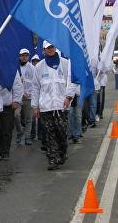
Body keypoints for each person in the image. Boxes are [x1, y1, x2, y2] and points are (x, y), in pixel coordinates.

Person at [32, 41, 77, 170]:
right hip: (46, 107)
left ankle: (62, 153)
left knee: (62, 132)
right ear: (44, 50)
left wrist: (69, 97)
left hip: (61, 106)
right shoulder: (39, 67)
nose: (50, 49)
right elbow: (35, 88)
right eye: (48, 48)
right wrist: (35, 106)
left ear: (55, 48)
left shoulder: (65, 63)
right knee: (49, 134)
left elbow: (72, 81)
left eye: (52, 47)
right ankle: (53, 158)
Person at [0, 71, 23, 160]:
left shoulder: (11, 68)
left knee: (7, 129)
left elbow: (17, 85)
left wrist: (16, 100)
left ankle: (5, 152)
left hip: (8, 104)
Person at [15, 49, 36, 146]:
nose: (24, 57)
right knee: (16, 115)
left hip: (28, 96)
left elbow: (35, 83)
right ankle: (19, 132)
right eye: (22, 55)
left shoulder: (31, 67)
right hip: (18, 97)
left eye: (26, 55)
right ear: (19, 56)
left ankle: (27, 137)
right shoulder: (15, 67)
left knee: (29, 118)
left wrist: (28, 92)